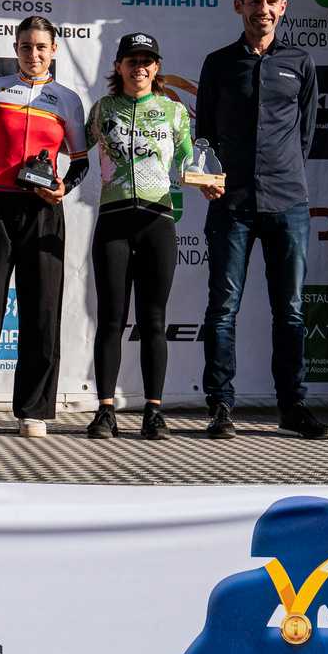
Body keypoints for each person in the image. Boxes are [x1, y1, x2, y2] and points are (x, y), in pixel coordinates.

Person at [195, 0, 328, 441]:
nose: (263, 9)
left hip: (288, 202)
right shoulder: (217, 64)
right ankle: (220, 407)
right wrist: (208, 177)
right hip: (231, 203)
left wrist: (283, 171)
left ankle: (293, 407)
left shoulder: (301, 62)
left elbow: (305, 132)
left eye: (271, 1)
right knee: (223, 308)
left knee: (290, 310)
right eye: (255, 1)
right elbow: (205, 133)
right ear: (239, 6)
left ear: (284, 7)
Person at [0, 15, 88, 438]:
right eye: (26, 46)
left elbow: (79, 159)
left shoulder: (67, 99)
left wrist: (64, 187)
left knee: (42, 309)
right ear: (16, 48)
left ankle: (35, 411)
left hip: (43, 209)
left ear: (54, 50)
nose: (34, 54)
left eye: (41, 47)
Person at [86, 32, 192, 441]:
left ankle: (154, 411)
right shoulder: (103, 108)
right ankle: (105, 411)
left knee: (153, 320)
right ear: (118, 67)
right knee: (110, 320)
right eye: (131, 60)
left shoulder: (173, 111)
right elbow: (77, 154)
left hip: (157, 221)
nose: (140, 67)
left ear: (157, 67)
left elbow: (188, 161)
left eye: (147, 60)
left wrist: (207, 180)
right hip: (113, 220)